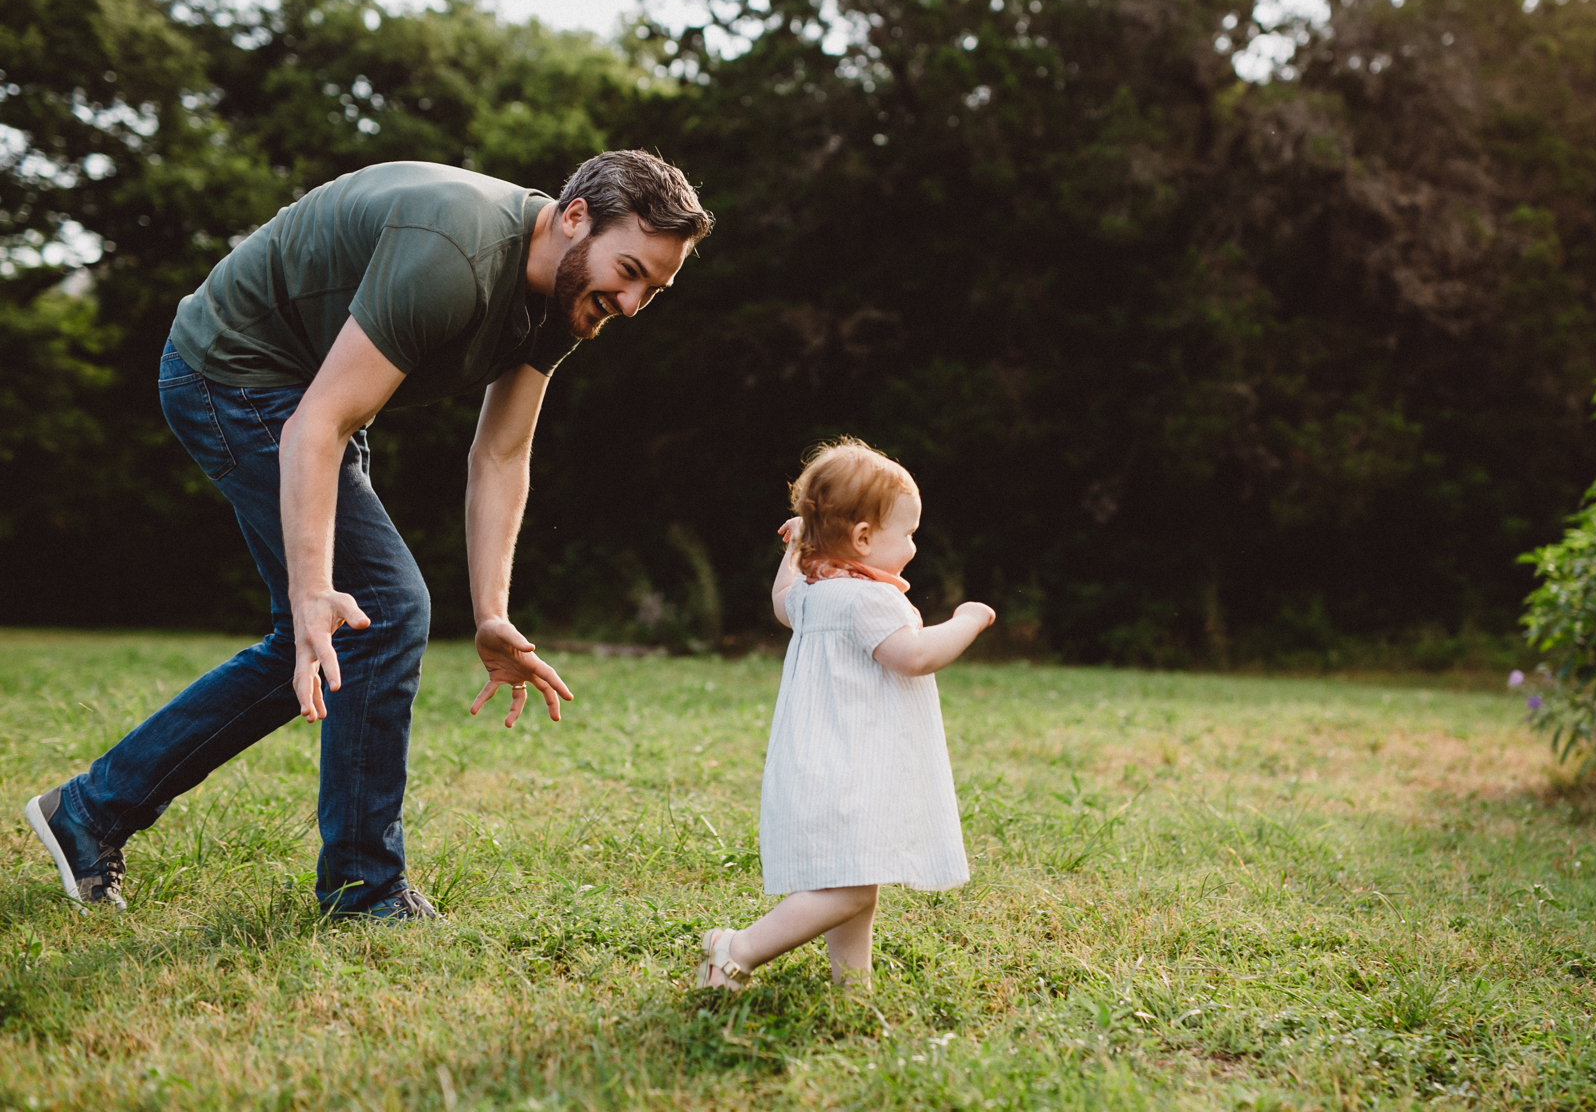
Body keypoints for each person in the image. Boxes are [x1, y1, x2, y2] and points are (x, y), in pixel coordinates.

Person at [24, 152, 714, 918]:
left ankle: (89, 812)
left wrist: (491, 613)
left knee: (334, 629)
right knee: (378, 609)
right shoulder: (456, 254)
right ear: (575, 216)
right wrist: (313, 585)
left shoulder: (565, 293)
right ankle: (364, 889)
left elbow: (501, 451)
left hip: (308, 393)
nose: (631, 300)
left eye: (654, 287)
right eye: (629, 271)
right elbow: (315, 424)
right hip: (234, 372)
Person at [695, 438, 996, 990]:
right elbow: (915, 656)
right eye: (907, 534)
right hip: (853, 763)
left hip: (824, 758)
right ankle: (737, 948)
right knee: (852, 885)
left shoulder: (815, 590)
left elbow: (781, 601)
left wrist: (795, 550)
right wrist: (967, 621)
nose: (912, 546)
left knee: (855, 873)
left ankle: (851, 981)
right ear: (863, 537)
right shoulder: (867, 600)